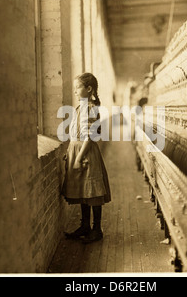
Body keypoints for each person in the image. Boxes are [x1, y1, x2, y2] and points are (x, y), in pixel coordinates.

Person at [61, 72, 111, 243]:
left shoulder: (90, 108)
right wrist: (70, 152)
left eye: (78, 88)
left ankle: (97, 229)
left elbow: (89, 136)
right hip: (77, 149)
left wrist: (78, 157)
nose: (75, 91)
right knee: (84, 190)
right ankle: (85, 226)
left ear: (89, 89)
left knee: (93, 192)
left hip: (86, 152)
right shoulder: (79, 108)